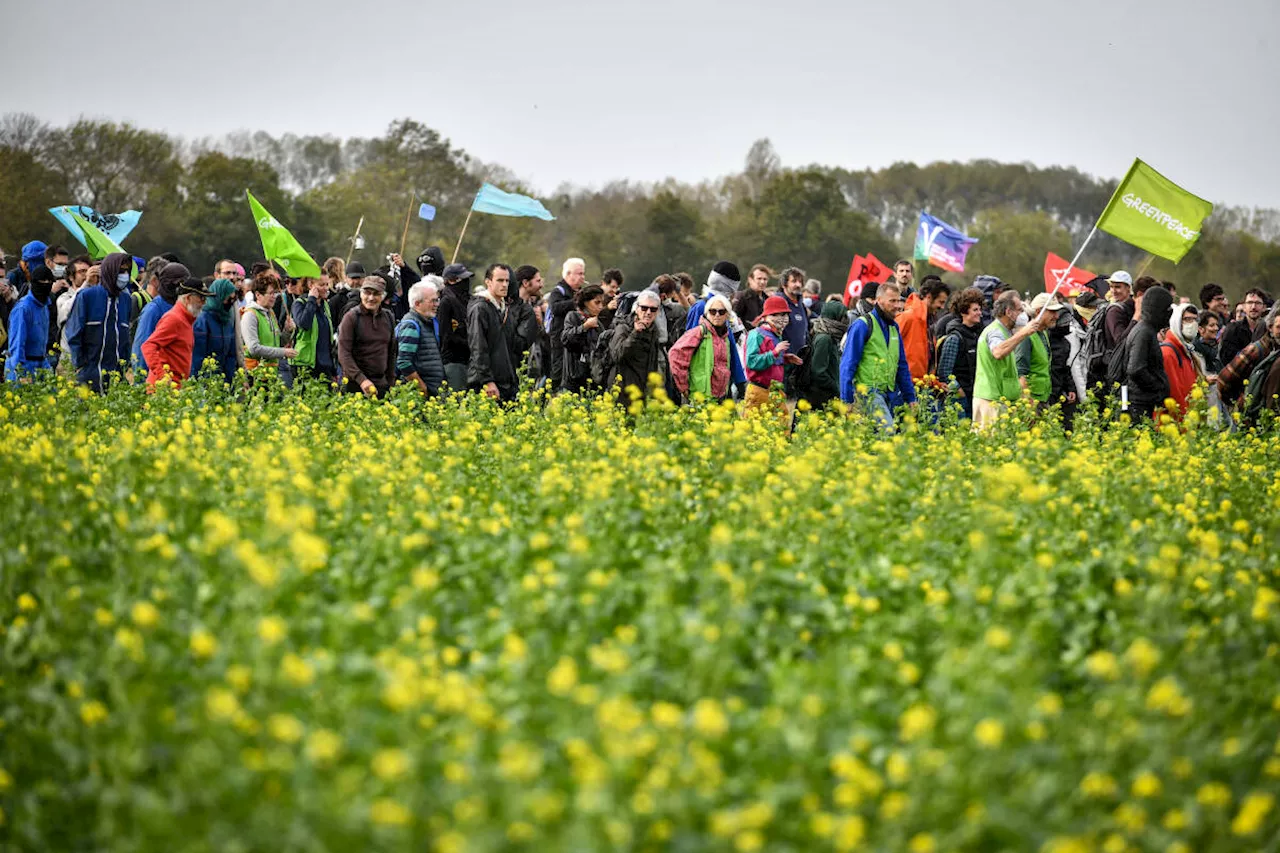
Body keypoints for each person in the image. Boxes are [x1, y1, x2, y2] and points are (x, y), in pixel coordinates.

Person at [838, 282, 916, 429]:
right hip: (867, 391)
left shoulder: (894, 327)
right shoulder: (863, 325)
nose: (898, 305)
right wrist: (846, 399)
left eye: (899, 300)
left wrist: (910, 397)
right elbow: (848, 363)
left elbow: (902, 365)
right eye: (892, 301)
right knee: (887, 431)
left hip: (889, 392)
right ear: (878, 300)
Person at [971, 290, 1051, 430]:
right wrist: (1024, 332)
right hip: (991, 399)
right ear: (1009, 312)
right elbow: (998, 352)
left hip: (1002, 399)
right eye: (1020, 310)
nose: (1023, 314)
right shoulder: (995, 331)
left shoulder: (1006, 332)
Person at [65, 253, 133, 393]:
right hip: (89, 373)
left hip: (116, 377)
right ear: (110, 271)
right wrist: (80, 365)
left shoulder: (126, 300)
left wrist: (124, 366)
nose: (124, 275)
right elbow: (74, 333)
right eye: (120, 271)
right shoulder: (87, 296)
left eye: (127, 271)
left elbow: (125, 337)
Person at [140, 277, 215, 389]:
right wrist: (163, 376)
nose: (204, 303)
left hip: (176, 389)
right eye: (201, 298)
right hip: (163, 392)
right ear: (189, 298)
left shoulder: (187, 319)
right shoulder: (174, 319)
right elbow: (148, 346)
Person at [743, 295, 802, 426]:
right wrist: (775, 352)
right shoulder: (756, 334)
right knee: (753, 430)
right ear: (766, 316)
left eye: (785, 315)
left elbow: (771, 361)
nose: (782, 319)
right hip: (759, 390)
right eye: (776, 315)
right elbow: (751, 362)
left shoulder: (776, 335)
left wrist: (785, 359)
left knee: (781, 427)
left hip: (776, 391)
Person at [668, 293, 734, 404]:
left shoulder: (725, 337)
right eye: (713, 311)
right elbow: (675, 354)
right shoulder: (698, 332)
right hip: (699, 396)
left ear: (727, 315)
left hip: (720, 397)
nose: (717, 315)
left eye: (721, 312)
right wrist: (683, 387)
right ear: (707, 313)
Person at [337, 275, 396, 398]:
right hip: (355, 384)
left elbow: (391, 352)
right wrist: (361, 379)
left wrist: (391, 382)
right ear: (361, 294)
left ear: (383, 296)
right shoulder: (351, 317)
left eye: (376, 294)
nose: (371, 298)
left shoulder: (388, 317)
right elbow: (343, 354)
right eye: (367, 293)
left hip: (381, 384)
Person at [1122, 283, 1174, 423]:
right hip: (1139, 406)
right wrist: (1157, 388)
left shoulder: (1147, 331)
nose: (1170, 313)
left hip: (1144, 404)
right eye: (1167, 308)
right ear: (1158, 309)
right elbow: (1135, 369)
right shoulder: (1144, 333)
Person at [467, 264, 519, 402]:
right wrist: (487, 380)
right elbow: (478, 347)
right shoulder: (480, 308)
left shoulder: (504, 308)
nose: (505, 285)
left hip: (506, 381)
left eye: (507, 281)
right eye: (500, 280)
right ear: (488, 282)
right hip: (487, 384)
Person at [935, 287, 985, 419]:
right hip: (960, 398)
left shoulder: (978, 335)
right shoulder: (954, 338)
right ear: (964, 312)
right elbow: (944, 372)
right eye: (975, 310)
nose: (980, 313)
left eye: (980, 309)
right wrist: (958, 391)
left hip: (975, 394)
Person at [132, 261, 188, 376]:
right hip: (158, 382)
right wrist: (143, 384)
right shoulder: (153, 310)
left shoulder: (182, 308)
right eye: (178, 283)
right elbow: (142, 349)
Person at [610, 290, 666, 402]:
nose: (648, 312)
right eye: (644, 308)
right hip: (623, 391)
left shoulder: (653, 330)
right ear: (636, 308)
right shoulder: (623, 327)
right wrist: (635, 334)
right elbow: (617, 355)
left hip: (643, 392)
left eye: (653, 309)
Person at [1217, 308, 1280, 407]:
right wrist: (1240, 404)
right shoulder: (1255, 350)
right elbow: (1223, 381)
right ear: (1270, 328)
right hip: (1252, 415)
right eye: (1279, 327)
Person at [395, 279, 445, 398]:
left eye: (437, 300)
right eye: (433, 301)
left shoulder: (428, 322)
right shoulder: (411, 325)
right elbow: (403, 362)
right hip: (420, 395)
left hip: (433, 391)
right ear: (417, 304)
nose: (436, 304)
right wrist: (422, 388)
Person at [240, 272, 297, 374]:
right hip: (255, 374)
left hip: (271, 374)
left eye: (275, 293)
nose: (274, 296)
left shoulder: (271, 313)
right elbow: (253, 348)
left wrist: (287, 331)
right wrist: (283, 352)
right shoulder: (250, 315)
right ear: (258, 295)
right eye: (270, 293)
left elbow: (279, 343)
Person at [5, 264, 54, 382]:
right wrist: (20, 372)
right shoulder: (23, 308)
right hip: (23, 366)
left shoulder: (45, 306)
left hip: (41, 365)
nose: (46, 284)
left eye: (49, 282)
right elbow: (17, 344)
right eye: (42, 281)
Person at [1017, 293, 1066, 408]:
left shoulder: (1044, 333)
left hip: (1044, 398)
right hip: (1032, 402)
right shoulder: (1026, 337)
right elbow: (1021, 374)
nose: (1057, 316)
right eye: (1052, 312)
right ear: (1039, 311)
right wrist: (1028, 405)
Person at [898, 276, 951, 381]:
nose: (942, 307)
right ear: (929, 297)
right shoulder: (908, 317)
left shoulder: (930, 321)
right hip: (906, 385)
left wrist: (934, 383)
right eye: (941, 302)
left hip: (921, 385)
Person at [546, 257, 586, 392]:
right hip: (559, 340)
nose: (582, 277)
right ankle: (545, 400)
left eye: (583, 274)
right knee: (558, 373)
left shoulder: (579, 291)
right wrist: (577, 302)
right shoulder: (559, 291)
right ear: (569, 274)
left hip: (575, 340)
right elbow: (555, 307)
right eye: (579, 273)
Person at [291, 273, 338, 387]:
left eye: (327, 284)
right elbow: (304, 323)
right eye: (322, 285)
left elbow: (328, 338)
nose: (326, 288)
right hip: (306, 364)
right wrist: (311, 299)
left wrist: (333, 369)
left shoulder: (325, 305)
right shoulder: (299, 303)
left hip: (325, 364)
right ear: (311, 284)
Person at [190, 278, 239, 385]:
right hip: (205, 382)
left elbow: (231, 355)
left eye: (233, 299)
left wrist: (228, 381)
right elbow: (197, 357)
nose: (230, 303)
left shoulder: (227, 321)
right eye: (228, 299)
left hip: (222, 381)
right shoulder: (203, 320)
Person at [803, 299, 850, 409]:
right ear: (834, 316)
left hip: (826, 395)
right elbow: (818, 371)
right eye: (843, 316)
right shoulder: (824, 339)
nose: (846, 320)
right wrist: (835, 387)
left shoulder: (831, 336)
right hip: (821, 397)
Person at [560, 284, 606, 395]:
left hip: (593, 378)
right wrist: (584, 327)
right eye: (597, 302)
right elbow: (566, 339)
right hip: (574, 379)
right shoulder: (573, 316)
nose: (600, 307)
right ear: (585, 302)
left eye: (602, 303)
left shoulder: (598, 323)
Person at [1161, 303, 1203, 418]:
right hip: (1175, 425)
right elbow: (1174, 393)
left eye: (1195, 320)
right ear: (1176, 321)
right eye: (1187, 319)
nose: (1192, 324)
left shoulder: (1187, 351)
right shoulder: (1168, 352)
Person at [437, 263, 475, 391]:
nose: (466, 282)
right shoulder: (446, 301)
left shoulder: (464, 299)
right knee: (457, 398)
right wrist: (469, 343)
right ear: (451, 281)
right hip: (453, 360)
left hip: (467, 359)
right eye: (462, 279)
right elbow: (445, 335)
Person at [508, 265, 546, 380]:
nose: (541, 285)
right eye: (538, 281)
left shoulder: (534, 306)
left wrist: (539, 323)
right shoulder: (510, 307)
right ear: (525, 283)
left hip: (532, 364)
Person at [1219, 288, 1268, 367]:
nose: (1253, 307)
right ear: (1244, 307)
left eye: (1258, 303)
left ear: (1264, 307)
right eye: (1250, 303)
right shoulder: (1233, 329)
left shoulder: (1269, 330)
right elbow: (1226, 359)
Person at [1193, 312, 1223, 378]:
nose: (1216, 328)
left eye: (1216, 325)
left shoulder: (1218, 346)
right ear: (1201, 329)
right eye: (1212, 325)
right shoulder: (1194, 349)